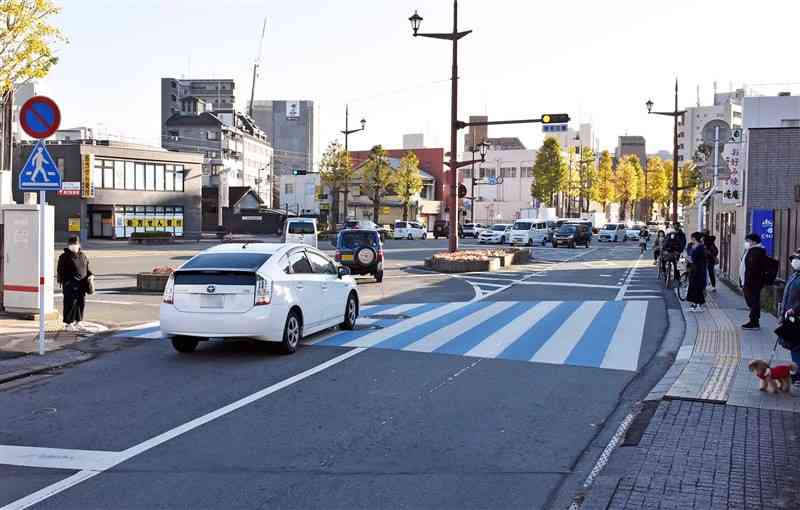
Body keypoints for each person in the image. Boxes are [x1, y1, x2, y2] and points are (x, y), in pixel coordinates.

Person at [56, 236, 93, 332]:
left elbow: (87, 268)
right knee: (70, 303)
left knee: (81, 303)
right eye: (72, 244)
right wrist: (66, 282)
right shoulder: (64, 257)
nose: (74, 246)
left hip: (82, 284)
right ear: (68, 245)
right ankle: (68, 323)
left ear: (79, 245)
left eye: (75, 244)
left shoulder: (83, 255)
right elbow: (60, 271)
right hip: (70, 284)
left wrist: (91, 275)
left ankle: (78, 321)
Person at [740, 233, 768, 330]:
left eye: (748, 241)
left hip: (753, 281)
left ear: (754, 242)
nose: (746, 243)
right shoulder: (751, 250)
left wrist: (747, 281)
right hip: (749, 281)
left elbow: (753, 268)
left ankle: (754, 322)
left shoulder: (757, 251)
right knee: (752, 301)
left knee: (753, 301)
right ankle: (754, 320)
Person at [780, 251, 800, 384]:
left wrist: (796, 309)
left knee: (797, 346)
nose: (795, 261)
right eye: (794, 259)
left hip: (797, 316)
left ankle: (798, 375)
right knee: (794, 346)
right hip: (791, 317)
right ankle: (797, 373)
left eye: (798, 259)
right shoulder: (795, 275)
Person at [686, 232, 708, 312]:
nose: (691, 239)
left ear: (694, 238)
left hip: (698, 270)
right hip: (694, 270)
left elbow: (693, 259)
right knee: (694, 287)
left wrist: (688, 258)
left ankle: (697, 305)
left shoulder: (700, 247)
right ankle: (696, 305)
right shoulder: (696, 246)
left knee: (696, 288)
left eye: (692, 237)